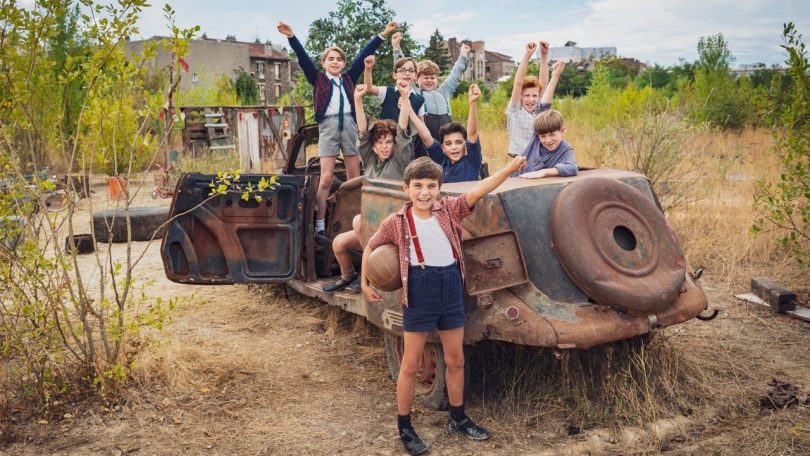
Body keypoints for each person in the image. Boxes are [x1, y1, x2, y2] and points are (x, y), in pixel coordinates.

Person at [360, 155, 528, 455]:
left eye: (431, 186)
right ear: (406, 188)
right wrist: (364, 282)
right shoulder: (397, 222)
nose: (424, 192)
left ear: (439, 188)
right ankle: (405, 427)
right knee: (410, 364)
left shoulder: (449, 210)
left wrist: (510, 168)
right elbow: (370, 245)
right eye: (418, 186)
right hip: (420, 290)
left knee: (456, 359)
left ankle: (458, 417)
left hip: (451, 287)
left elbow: (479, 190)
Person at [277, 20, 398, 236]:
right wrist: (291, 36)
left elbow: (364, 55)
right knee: (325, 178)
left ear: (343, 63)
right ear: (324, 62)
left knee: (354, 176)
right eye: (331, 59)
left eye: (339, 59)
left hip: (350, 124)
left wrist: (384, 33)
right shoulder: (318, 80)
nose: (335, 62)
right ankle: (320, 223)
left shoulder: (349, 78)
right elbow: (303, 59)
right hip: (329, 126)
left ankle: (358, 217)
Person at [323, 79, 416, 293]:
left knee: (357, 220)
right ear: (373, 147)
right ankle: (349, 277)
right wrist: (357, 100)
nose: (384, 147)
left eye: (389, 142)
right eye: (380, 143)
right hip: (372, 229)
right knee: (338, 243)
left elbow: (402, 130)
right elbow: (363, 132)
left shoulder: (400, 161)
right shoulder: (370, 160)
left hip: (394, 230)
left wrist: (404, 97)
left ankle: (370, 273)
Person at [392, 32, 470, 157]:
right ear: (416, 79)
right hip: (425, 140)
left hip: (447, 137)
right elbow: (403, 70)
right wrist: (396, 48)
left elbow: (455, 74)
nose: (429, 80)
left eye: (432, 78)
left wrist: (463, 55)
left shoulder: (444, 91)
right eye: (425, 77)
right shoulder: (416, 93)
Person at [411, 84, 483, 183]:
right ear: (443, 148)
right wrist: (410, 111)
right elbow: (426, 137)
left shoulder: (471, 162)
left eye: (458, 142)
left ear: (465, 145)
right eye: (448, 143)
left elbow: (472, 134)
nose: (454, 147)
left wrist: (473, 103)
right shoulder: (442, 162)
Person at [506, 41, 565, 157]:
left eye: (534, 96)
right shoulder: (515, 110)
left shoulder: (538, 111)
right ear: (521, 97)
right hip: (519, 158)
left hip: (537, 158)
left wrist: (544, 55)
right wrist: (527, 55)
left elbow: (544, 83)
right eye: (527, 96)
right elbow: (518, 83)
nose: (531, 100)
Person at [514, 109, 578, 178]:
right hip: (514, 181)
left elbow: (572, 168)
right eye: (543, 136)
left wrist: (544, 172)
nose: (548, 140)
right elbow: (542, 105)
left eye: (552, 134)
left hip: (532, 186)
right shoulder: (535, 140)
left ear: (562, 131)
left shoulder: (565, 149)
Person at [364, 54, 425, 122]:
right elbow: (369, 88)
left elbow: (421, 125)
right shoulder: (387, 91)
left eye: (411, 71)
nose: (407, 73)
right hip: (387, 132)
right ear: (395, 75)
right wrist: (368, 69)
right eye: (402, 70)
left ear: (416, 75)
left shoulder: (420, 99)